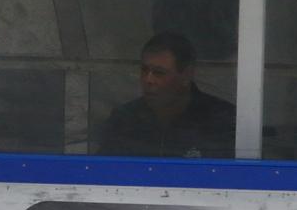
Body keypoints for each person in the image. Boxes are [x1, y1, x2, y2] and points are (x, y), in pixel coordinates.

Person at [96, 31, 236, 159]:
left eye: (159, 73)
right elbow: (102, 170)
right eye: (144, 70)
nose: (148, 80)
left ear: (186, 75)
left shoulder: (221, 122)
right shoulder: (124, 120)